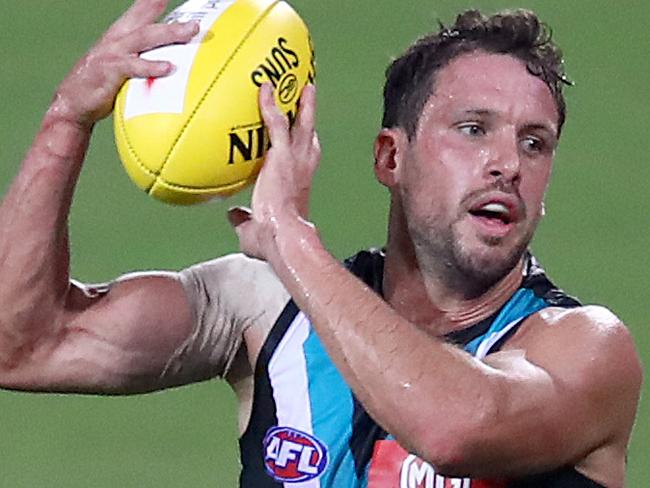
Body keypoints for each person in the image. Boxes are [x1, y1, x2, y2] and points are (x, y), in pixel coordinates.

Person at [0, 0, 641, 486]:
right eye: (473, 130)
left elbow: (455, 425)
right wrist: (68, 118)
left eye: (535, 143)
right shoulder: (263, 310)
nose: (508, 163)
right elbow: (21, 347)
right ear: (392, 158)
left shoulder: (585, 350)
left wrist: (290, 238)